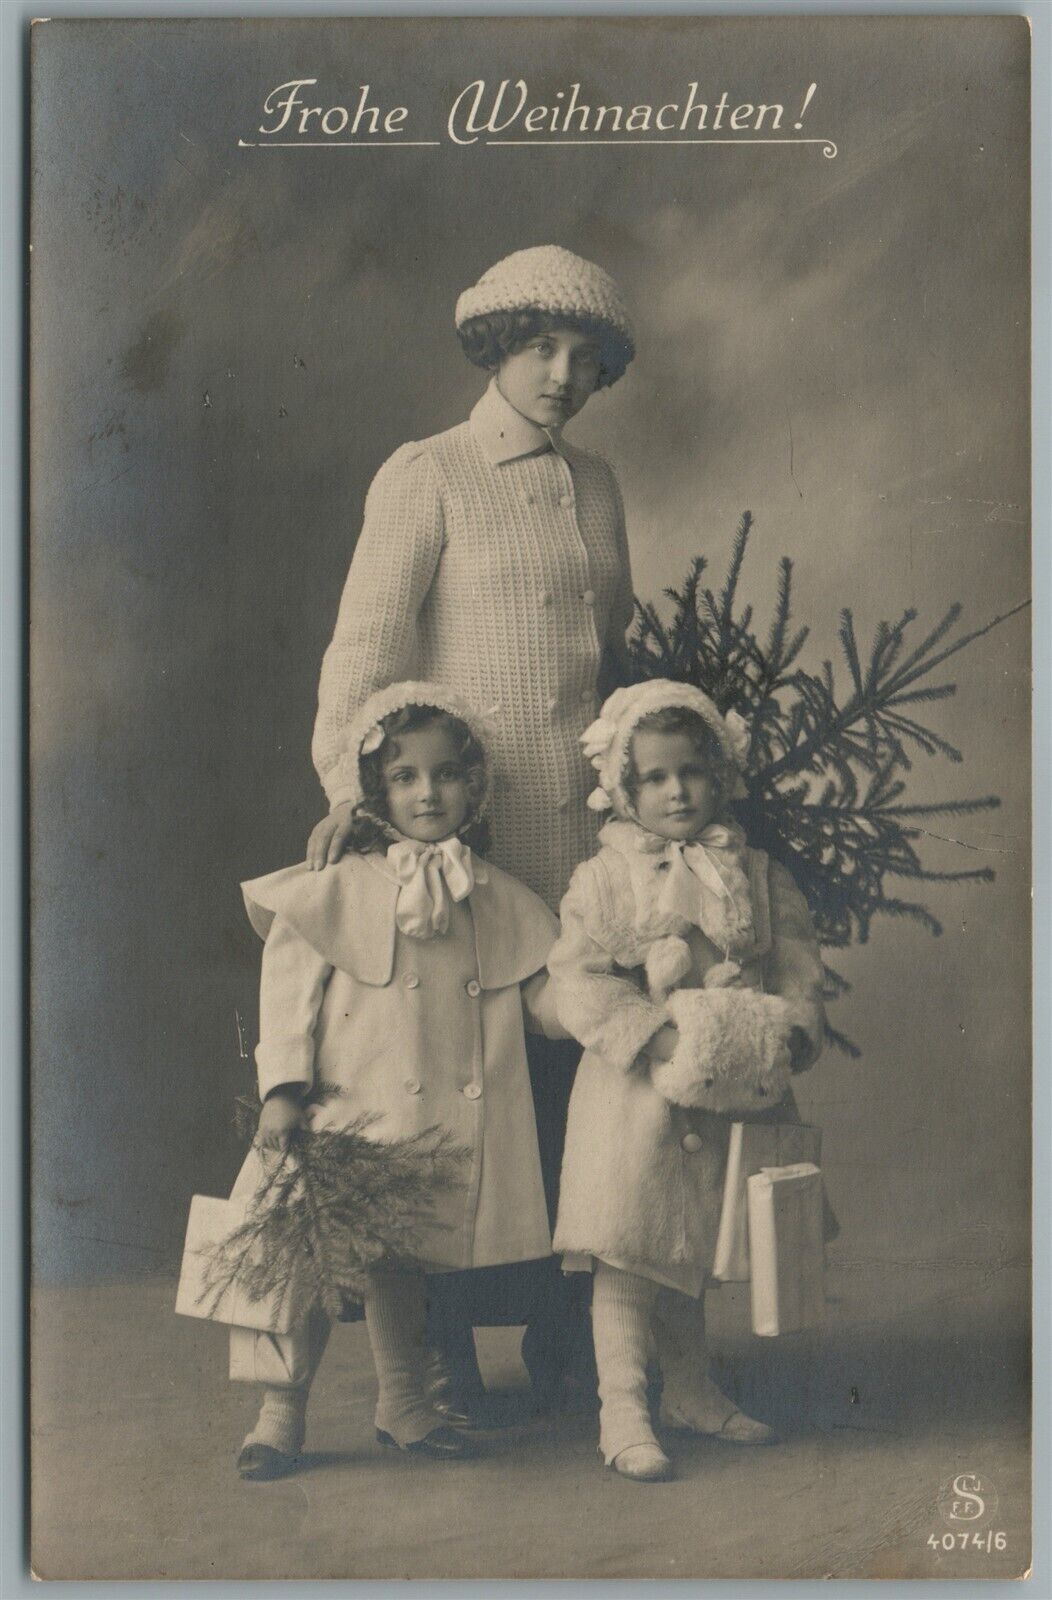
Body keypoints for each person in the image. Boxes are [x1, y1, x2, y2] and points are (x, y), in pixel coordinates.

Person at [305, 245, 638, 1409]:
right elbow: (366, 652)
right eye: (540, 348)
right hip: (457, 843)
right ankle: (434, 1349)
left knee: (562, 1085)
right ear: (496, 349)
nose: (561, 374)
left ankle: (559, 1337)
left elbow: (613, 654)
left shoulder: (595, 485)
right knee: (450, 1089)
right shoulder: (429, 472)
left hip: (581, 844)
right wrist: (356, 799)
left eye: (584, 358)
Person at [234, 683, 565, 1480]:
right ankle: (279, 1413)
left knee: (401, 1264)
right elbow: (288, 990)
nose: (428, 792)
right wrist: (282, 1087)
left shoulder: (497, 897)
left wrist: (603, 999)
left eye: (447, 775)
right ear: (379, 791)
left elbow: (542, 1000)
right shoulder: (341, 884)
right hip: (343, 1108)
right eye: (407, 777)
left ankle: (404, 1404)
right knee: (304, 1263)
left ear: (474, 786)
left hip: (427, 1122)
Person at [547, 680, 827, 1482]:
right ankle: (623, 1407)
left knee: (691, 1243)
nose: (677, 791)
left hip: (733, 1086)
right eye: (657, 778)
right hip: (634, 1097)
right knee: (630, 1247)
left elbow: (798, 963)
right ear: (625, 789)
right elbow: (580, 980)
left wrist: (791, 1028)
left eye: (692, 774)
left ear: (720, 776)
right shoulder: (602, 879)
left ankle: (693, 1390)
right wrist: (653, 1031)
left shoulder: (755, 872)